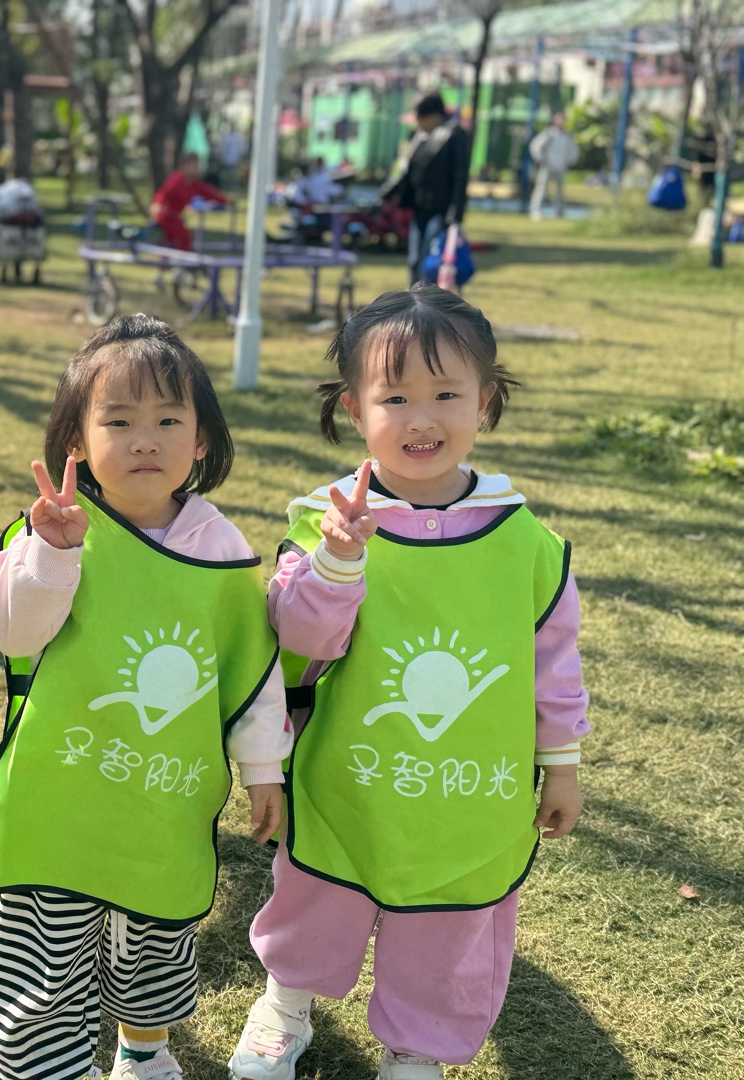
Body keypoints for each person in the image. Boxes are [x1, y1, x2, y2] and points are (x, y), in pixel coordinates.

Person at [226, 286, 588, 1080]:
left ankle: (419, 1049)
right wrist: (339, 560)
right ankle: (285, 1005)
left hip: (471, 798)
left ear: (484, 399)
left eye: (446, 394)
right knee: (315, 903)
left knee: (449, 928)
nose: (422, 419)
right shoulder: (325, 520)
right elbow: (301, 640)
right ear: (355, 410)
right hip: (345, 782)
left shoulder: (526, 542)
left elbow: (553, 665)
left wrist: (561, 763)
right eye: (395, 398)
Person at [0, 315, 290, 1080]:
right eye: (118, 421)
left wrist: (263, 770)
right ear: (76, 442)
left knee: (155, 938)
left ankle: (143, 1052)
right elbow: (12, 632)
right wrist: (53, 555)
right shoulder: (56, 530)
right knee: (46, 957)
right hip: (59, 799)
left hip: (161, 800)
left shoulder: (223, 551)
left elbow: (251, 674)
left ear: (201, 440)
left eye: (169, 420)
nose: (146, 440)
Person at [381, 93, 471, 286]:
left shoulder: (454, 134)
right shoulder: (420, 136)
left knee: (430, 259)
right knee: (415, 259)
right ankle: (414, 296)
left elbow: (460, 176)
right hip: (419, 208)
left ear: (433, 115)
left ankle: (428, 300)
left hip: (441, 210)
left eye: (420, 117)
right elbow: (407, 171)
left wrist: (455, 214)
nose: (417, 122)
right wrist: (389, 192)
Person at [150, 153, 230, 251]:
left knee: (174, 239)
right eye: (194, 165)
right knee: (184, 238)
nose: (197, 168)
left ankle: (168, 258)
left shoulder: (193, 183)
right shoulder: (177, 180)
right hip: (165, 215)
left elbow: (208, 192)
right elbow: (163, 194)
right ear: (185, 166)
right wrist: (157, 205)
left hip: (174, 216)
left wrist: (225, 199)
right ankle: (183, 259)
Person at [528, 113, 579, 220]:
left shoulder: (567, 136)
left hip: (561, 167)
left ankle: (559, 212)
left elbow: (574, 150)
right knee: (541, 188)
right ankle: (535, 210)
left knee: (559, 191)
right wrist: (541, 158)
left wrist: (570, 161)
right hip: (548, 166)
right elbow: (535, 145)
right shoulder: (548, 134)